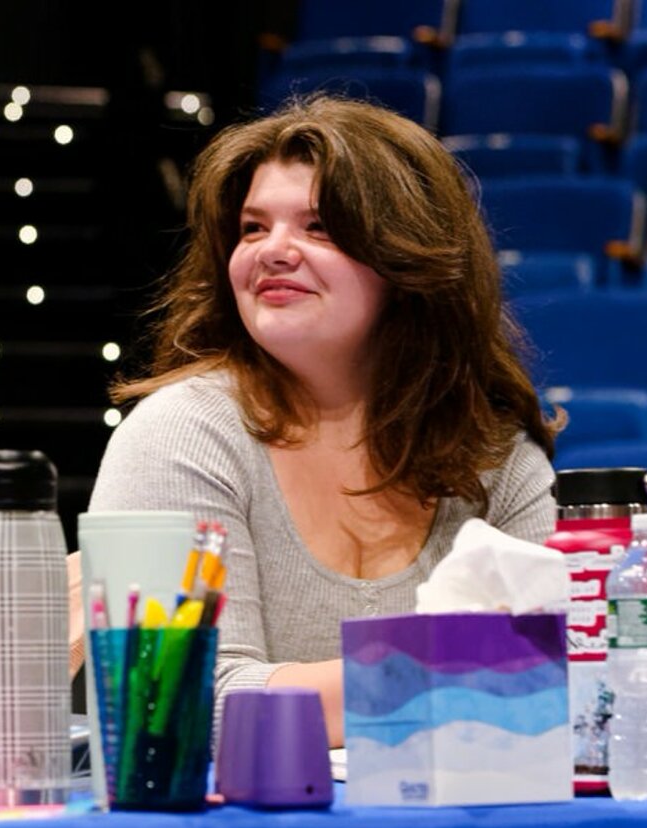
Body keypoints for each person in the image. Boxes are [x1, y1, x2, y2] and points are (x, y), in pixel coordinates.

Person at [86, 95, 558, 746]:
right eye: (253, 228)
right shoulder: (179, 433)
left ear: (407, 259)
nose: (273, 251)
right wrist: (443, 669)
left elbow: (556, 681)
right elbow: (175, 704)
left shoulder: (494, 454)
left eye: (319, 227)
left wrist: (483, 673)